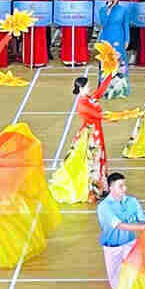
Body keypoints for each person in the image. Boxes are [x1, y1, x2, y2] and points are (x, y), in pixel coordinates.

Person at [51, 74, 120, 203]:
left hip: (96, 133)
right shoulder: (82, 104)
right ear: (81, 88)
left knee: (97, 161)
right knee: (92, 162)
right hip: (91, 135)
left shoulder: (88, 99)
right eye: (88, 86)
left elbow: (100, 92)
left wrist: (110, 75)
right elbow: (98, 115)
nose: (90, 88)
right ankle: (91, 191)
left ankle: (99, 187)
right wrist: (118, 117)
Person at [97, 173, 145, 289]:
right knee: (115, 284)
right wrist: (142, 228)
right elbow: (119, 225)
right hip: (113, 247)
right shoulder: (104, 207)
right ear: (110, 188)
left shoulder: (132, 201)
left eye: (124, 185)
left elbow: (142, 218)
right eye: (120, 186)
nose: (125, 188)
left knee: (137, 274)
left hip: (130, 244)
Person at [96, 0, 132, 99]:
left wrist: (127, 39)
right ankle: (104, 89)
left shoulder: (123, 10)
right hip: (106, 38)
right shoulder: (102, 10)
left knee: (119, 63)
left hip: (119, 39)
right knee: (105, 64)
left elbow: (126, 25)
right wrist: (108, 11)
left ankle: (120, 89)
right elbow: (104, 24)